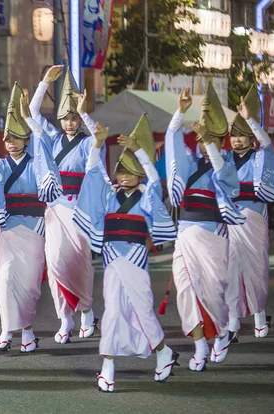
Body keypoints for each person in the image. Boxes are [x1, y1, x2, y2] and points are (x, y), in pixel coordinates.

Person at [75, 114, 179, 392]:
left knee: (142, 312)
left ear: (140, 175)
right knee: (111, 314)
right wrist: (96, 145)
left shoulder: (147, 194)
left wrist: (138, 150)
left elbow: (156, 178)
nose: (122, 176)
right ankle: (107, 368)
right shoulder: (109, 195)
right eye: (120, 170)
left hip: (134, 259)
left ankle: (163, 352)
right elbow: (93, 174)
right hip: (112, 260)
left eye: (129, 172)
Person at [165, 84, 245, 372]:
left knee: (212, 293)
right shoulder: (190, 162)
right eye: (200, 139)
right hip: (185, 233)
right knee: (185, 292)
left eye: (209, 139)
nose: (202, 143)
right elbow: (173, 141)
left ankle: (221, 333)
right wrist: (181, 111)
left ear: (219, 140)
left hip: (212, 234)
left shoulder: (226, 165)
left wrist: (211, 144)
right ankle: (199, 345)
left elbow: (229, 184)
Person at [0, 83, 62, 352]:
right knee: (4, 279)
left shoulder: (37, 161)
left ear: (27, 139)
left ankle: (27, 330)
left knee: (28, 284)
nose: (11, 143)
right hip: (9, 228)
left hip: (36, 228)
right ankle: (5, 330)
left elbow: (45, 144)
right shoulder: (0, 165)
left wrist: (31, 114)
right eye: (7, 139)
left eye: (17, 138)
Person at [29, 64, 103, 343]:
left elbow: (99, 139)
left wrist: (85, 111)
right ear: (59, 120)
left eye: (74, 118)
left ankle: (86, 311)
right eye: (66, 118)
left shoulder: (87, 144)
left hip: (80, 212)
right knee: (56, 263)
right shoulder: (52, 140)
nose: (70, 122)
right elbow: (33, 114)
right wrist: (44, 83)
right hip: (55, 211)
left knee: (80, 263)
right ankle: (65, 318)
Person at [224, 86, 274, 339]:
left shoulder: (261, 156)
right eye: (233, 135)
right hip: (230, 222)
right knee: (231, 271)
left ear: (251, 138)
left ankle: (259, 315)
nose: (236, 140)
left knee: (256, 270)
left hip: (254, 220)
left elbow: (268, 144)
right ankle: (233, 321)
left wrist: (249, 119)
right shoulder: (224, 159)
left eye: (242, 135)